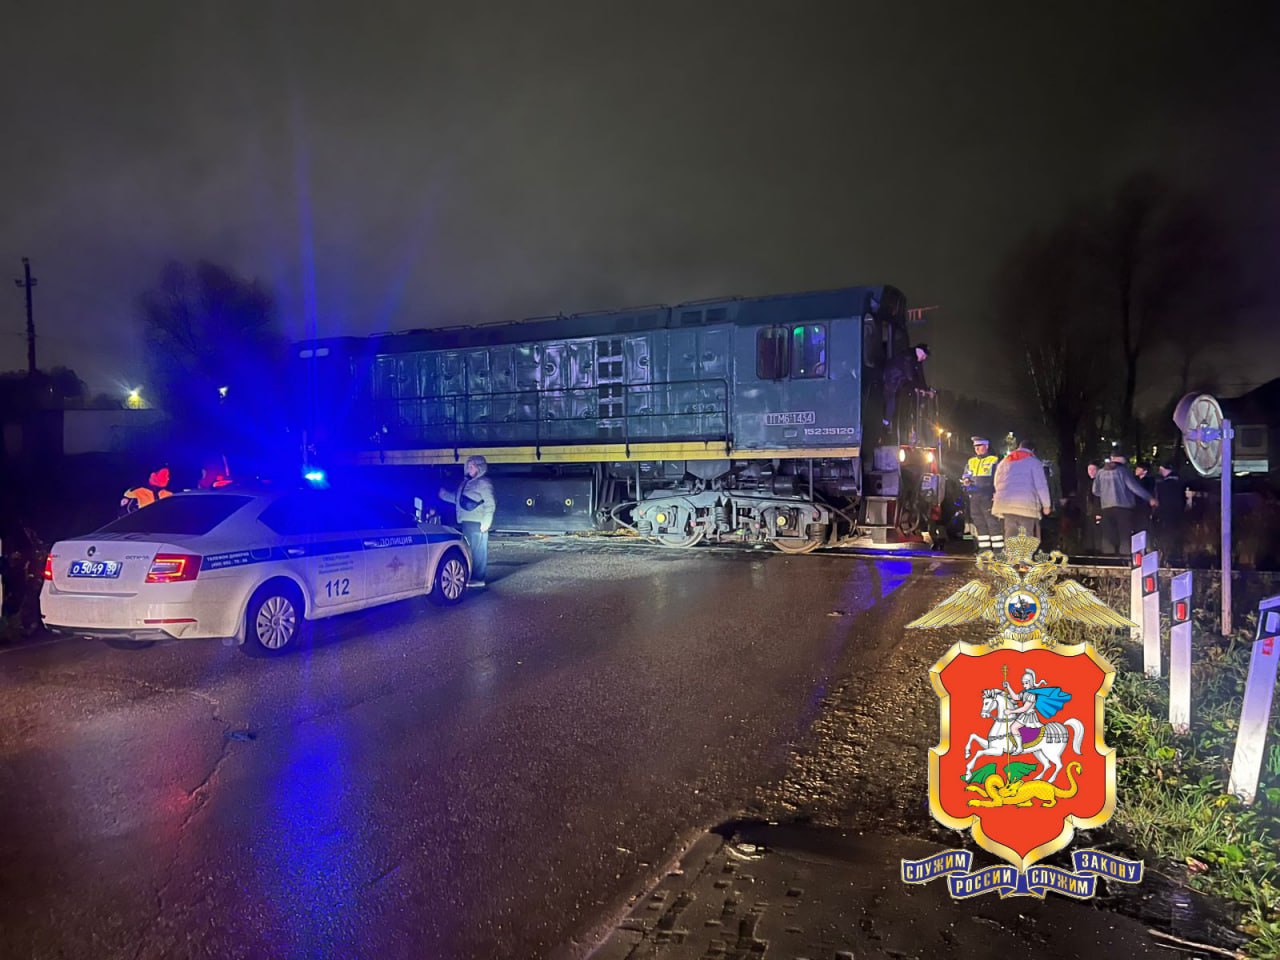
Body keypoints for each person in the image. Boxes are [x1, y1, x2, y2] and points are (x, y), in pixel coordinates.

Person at [440, 455, 495, 587]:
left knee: (478, 551)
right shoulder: (466, 483)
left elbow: (490, 503)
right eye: (468, 466)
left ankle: (479, 578)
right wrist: (444, 495)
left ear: (479, 468)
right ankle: (472, 576)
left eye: (472, 466)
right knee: (469, 550)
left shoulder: (483, 483)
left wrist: (486, 522)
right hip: (467, 522)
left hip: (477, 522)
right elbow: (459, 500)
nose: (469, 469)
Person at [1091, 452, 1157, 555]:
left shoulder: (1100, 472)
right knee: (1124, 535)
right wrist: (1150, 498)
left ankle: (1109, 556)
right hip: (1123, 507)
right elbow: (1134, 487)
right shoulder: (1123, 471)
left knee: (1108, 534)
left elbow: (1095, 490)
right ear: (1121, 459)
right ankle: (1124, 557)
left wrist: (1105, 495)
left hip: (1106, 507)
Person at [991, 439, 1052, 543]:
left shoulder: (1004, 461)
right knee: (1026, 537)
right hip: (1026, 505)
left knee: (1010, 535)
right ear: (1032, 450)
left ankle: (1011, 553)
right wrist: (1046, 505)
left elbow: (997, 482)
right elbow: (1041, 485)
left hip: (1007, 505)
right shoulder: (1034, 462)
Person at [880, 343, 933, 439]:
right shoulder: (907, 357)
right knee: (891, 401)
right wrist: (919, 388)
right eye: (924, 355)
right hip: (891, 380)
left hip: (899, 382)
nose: (924, 358)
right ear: (919, 351)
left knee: (901, 401)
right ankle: (886, 423)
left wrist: (925, 389)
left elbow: (920, 376)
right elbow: (910, 376)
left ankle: (895, 426)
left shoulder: (916, 360)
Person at [962, 436, 1003, 552]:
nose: (977, 448)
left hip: (988, 495)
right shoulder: (971, 461)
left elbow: (999, 478)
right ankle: (984, 549)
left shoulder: (994, 460)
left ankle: (998, 550)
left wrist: (997, 493)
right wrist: (966, 480)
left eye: (979, 446)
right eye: (975, 446)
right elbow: (966, 474)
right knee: (979, 522)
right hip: (974, 495)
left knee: (992, 522)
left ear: (986, 446)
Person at [1154, 462, 1189, 564]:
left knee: (1167, 534)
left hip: (1166, 513)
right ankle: (1178, 554)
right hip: (1178, 513)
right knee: (1178, 533)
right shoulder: (1180, 483)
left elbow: (1160, 499)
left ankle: (1168, 555)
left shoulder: (1162, 485)